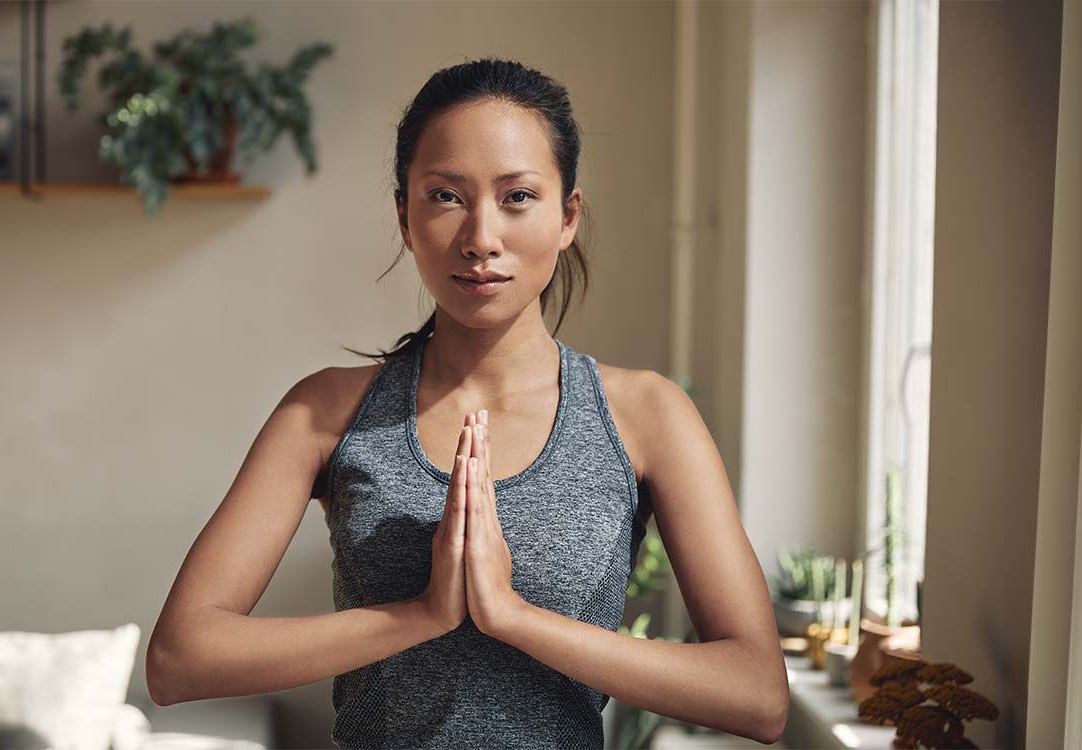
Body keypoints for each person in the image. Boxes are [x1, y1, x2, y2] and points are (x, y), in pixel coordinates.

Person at [146, 57, 788, 749]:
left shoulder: (648, 416)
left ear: (568, 215)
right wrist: (419, 615)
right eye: (446, 196)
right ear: (404, 215)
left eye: (517, 197)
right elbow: (180, 659)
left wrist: (510, 615)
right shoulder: (323, 412)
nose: (482, 238)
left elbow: (756, 696)